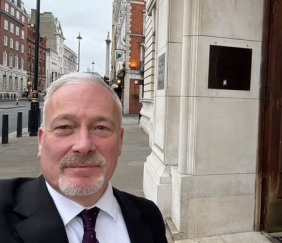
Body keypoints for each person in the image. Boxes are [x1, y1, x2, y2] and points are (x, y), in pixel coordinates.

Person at [0, 73, 167, 243]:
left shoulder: (149, 217)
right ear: (41, 141)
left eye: (101, 127)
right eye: (64, 127)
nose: (84, 145)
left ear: (120, 142)